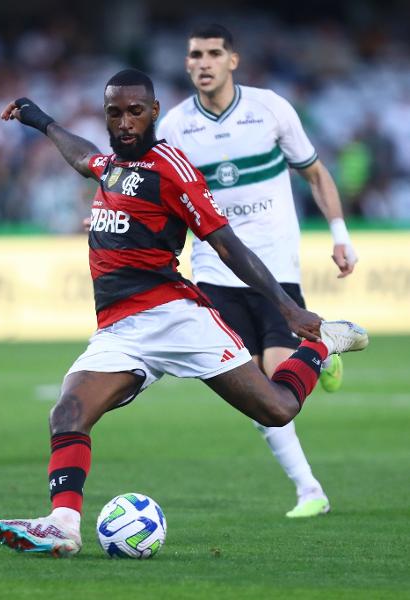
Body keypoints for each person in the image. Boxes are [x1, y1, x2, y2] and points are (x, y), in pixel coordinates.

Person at [0, 69, 368, 558]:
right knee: (68, 413)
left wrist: (288, 309)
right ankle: (63, 525)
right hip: (119, 330)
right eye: (114, 113)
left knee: (277, 409)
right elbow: (83, 156)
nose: (124, 122)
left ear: (153, 113)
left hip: (174, 317)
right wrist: (38, 119)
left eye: (134, 112)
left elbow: (226, 243)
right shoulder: (112, 166)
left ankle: (321, 344)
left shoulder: (171, 167)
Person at [156, 24, 359, 518]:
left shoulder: (270, 109)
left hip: (274, 270)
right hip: (213, 271)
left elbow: (314, 171)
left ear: (233, 61)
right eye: (194, 55)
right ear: (187, 64)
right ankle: (310, 489)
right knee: (258, 394)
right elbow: (152, 191)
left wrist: (340, 234)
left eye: (212, 53)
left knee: (273, 377)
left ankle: (318, 350)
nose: (202, 62)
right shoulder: (176, 126)